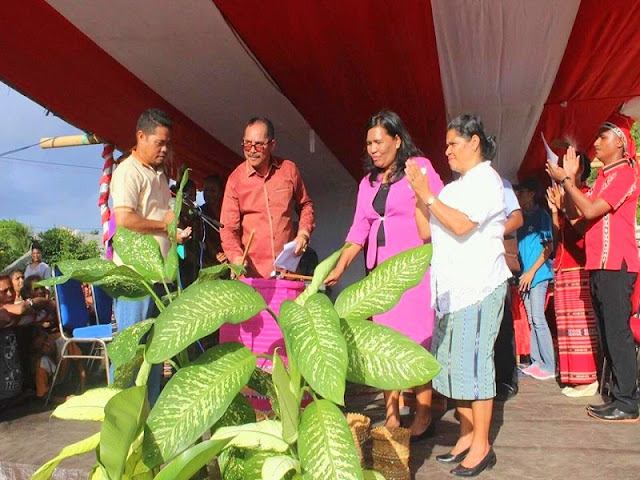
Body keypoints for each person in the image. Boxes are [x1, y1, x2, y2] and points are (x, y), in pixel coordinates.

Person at [324, 110, 444, 441]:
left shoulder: (419, 168)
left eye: (378, 142)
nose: (373, 149)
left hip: (412, 270)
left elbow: (440, 208)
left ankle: (423, 412)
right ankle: (392, 415)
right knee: (385, 343)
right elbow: (358, 228)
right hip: (379, 274)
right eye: (368, 144)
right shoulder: (368, 183)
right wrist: (340, 266)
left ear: (397, 140)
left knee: (417, 339)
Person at [409, 114, 510, 476]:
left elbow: (462, 224)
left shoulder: (486, 179)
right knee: (453, 369)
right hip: (451, 293)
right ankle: (467, 436)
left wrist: (427, 195)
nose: (446, 150)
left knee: (475, 366)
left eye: (453, 143)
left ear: (474, 142)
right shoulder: (452, 189)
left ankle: (482, 445)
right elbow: (425, 230)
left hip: (479, 286)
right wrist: (419, 197)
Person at [547, 112, 640, 423]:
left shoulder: (625, 173)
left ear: (621, 144)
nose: (597, 142)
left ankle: (628, 400)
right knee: (607, 332)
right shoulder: (603, 178)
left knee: (617, 332)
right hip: (599, 263)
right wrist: (562, 200)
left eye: (603, 136)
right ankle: (618, 395)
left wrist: (567, 180)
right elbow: (578, 221)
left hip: (617, 264)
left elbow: (589, 209)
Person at [110, 108, 191, 404]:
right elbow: (125, 220)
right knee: (130, 352)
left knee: (154, 351)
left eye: (168, 143)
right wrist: (165, 225)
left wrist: (174, 234)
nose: (165, 149)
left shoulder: (159, 174)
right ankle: (119, 416)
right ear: (140, 137)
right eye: (159, 143)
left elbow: (160, 218)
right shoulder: (127, 172)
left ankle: (149, 414)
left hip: (159, 277)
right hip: (136, 277)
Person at [220, 117, 314, 278]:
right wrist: (236, 257)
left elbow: (305, 205)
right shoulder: (235, 180)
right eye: (247, 144)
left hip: (287, 273)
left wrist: (303, 233)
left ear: (272, 145)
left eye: (259, 145)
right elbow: (228, 228)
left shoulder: (288, 170)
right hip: (253, 275)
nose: (252, 150)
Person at [546, 153, 599, 397]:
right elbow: (559, 239)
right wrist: (556, 212)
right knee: (566, 327)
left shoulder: (587, 194)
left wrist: (566, 208)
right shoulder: (568, 198)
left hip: (580, 267)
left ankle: (587, 378)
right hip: (563, 265)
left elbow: (583, 229)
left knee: (581, 326)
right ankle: (570, 376)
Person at [514, 178, 555, 381]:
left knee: (538, 318)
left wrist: (531, 272)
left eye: (521, 192)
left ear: (531, 194)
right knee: (531, 319)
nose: (518, 196)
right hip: (524, 277)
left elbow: (548, 248)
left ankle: (548, 365)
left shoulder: (542, 216)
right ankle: (537, 362)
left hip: (538, 275)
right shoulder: (521, 218)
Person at [494, 179, 524, 401]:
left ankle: (505, 378)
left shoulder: (500, 183)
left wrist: (489, 232)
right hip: (467, 265)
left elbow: (517, 218)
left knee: (501, 321)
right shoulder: (456, 183)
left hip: (496, 263)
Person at [200, 173, 227, 268]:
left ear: (221, 192)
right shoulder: (201, 212)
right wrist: (216, 254)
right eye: (206, 190)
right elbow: (204, 238)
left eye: (213, 190)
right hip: (210, 259)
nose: (209, 194)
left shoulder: (228, 210)